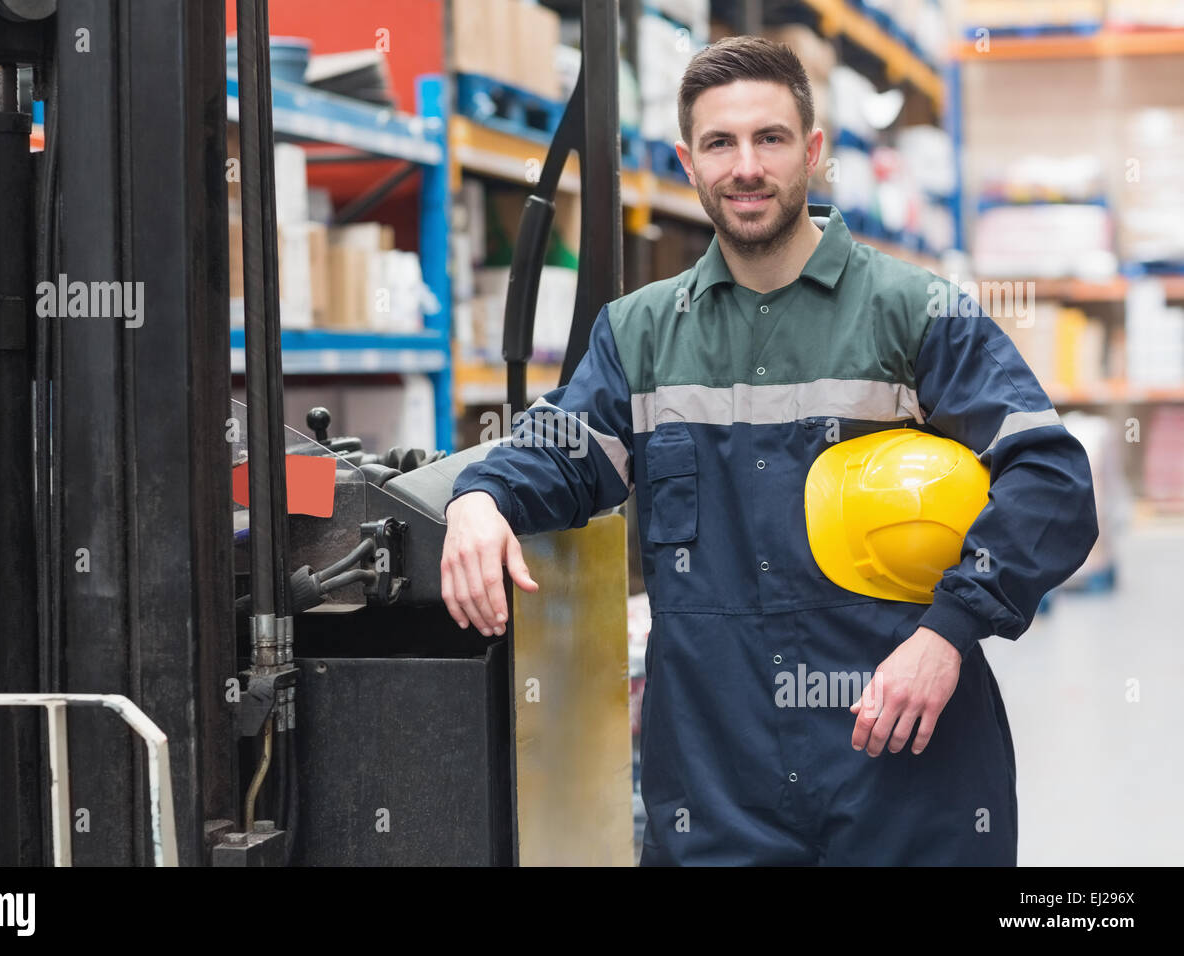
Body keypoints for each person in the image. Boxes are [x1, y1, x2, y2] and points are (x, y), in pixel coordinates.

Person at [440, 35, 1098, 865]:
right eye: (720, 143)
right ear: (688, 161)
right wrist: (480, 496)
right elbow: (564, 453)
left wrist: (950, 631)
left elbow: (1051, 477)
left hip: (906, 777)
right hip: (720, 793)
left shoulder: (917, 312)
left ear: (813, 152)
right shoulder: (641, 333)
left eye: (771, 138)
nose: (745, 166)